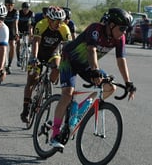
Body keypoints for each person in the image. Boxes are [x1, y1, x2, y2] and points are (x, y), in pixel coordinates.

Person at [49, 8, 137, 149]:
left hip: (86, 65)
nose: (124, 32)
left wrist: (128, 82)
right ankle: (55, 134)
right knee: (67, 94)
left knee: (110, 87)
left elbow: (121, 59)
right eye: (122, 28)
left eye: (127, 29)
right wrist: (95, 70)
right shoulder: (95, 29)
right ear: (111, 25)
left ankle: (78, 113)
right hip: (69, 60)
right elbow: (91, 50)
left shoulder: (120, 38)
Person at [20, 6, 71, 123]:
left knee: (57, 68)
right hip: (38, 53)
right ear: (49, 20)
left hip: (53, 53)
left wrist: (67, 62)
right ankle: (26, 108)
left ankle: (48, 84)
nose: (59, 24)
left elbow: (67, 48)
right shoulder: (41, 24)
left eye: (61, 21)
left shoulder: (64, 29)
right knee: (31, 80)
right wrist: (33, 58)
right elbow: (36, 43)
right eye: (56, 22)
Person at [4, 0, 19, 74]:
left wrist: (16, 33)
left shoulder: (16, 12)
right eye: (8, 5)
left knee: (13, 46)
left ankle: (9, 64)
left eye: (11, 5)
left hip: (11, 29)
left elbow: (16, 23)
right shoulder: (3, 10)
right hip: (3, 28)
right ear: (5, 5)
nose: (9, 7)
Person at [16, 2, 34, 67]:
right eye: (24, 8)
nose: (25, 10)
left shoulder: (31, 13)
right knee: (18, 43)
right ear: (22, 8)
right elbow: (16, 23)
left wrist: (30, 34)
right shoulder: (19, 13)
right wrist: (17, 32)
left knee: (29, 41)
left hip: (27, 29)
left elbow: (31, 25)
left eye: (27, 8)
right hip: (20, 29)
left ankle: (28, 49)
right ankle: (18, 59)